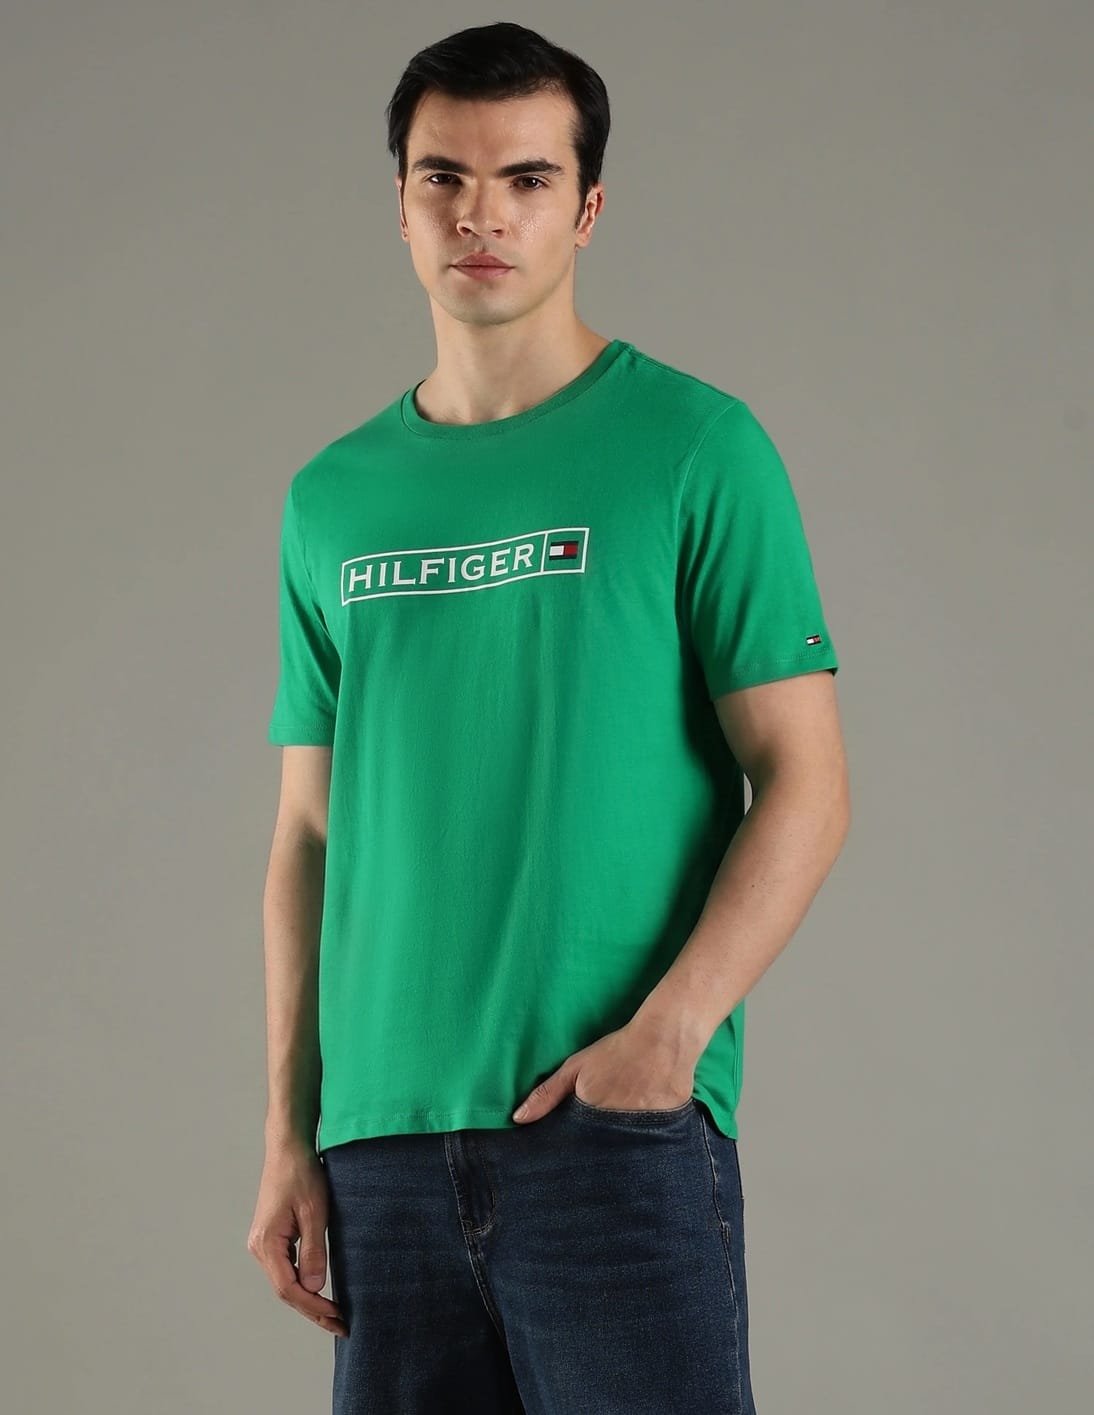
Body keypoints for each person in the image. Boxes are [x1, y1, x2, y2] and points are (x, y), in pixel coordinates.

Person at [247, 20, 850, 1414]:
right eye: (444, 178)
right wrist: (289, 1132)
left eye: (525, 179)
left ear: (585, 209)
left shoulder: (694, 447)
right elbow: (306, 835)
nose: (481, 214)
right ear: (401, 205)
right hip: (380, 1151)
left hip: (606, 1131)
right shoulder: (330, 497)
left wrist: (669, 1038)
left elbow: (805, 782)